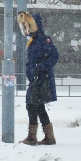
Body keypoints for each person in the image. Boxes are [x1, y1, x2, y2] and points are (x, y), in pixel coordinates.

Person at [20, 11, 60, 146]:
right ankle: (47, 136)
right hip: (35, 79)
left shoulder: (43, 40)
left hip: (41, 79)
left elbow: (54, 56)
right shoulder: (33, 41)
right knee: (35, 106)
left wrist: (41, 69)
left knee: (34, 105)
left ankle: (36, 137)